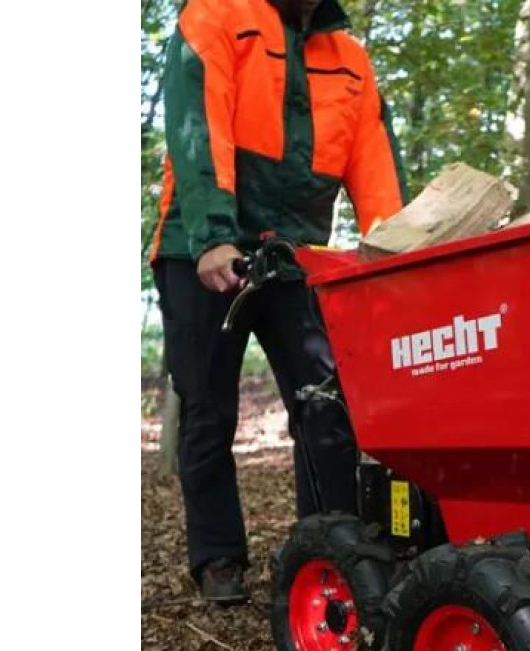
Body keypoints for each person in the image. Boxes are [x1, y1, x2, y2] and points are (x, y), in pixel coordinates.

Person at [150, 0, 405, 604]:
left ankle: (333, 546)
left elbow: (375, 164)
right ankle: (218, 558)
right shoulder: (216, 14)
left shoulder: (350, 58)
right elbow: (199, 126)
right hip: (200, 246)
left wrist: (396, 254)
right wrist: (213, 235)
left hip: (296, 253)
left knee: (325, 402)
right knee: (208, 408)